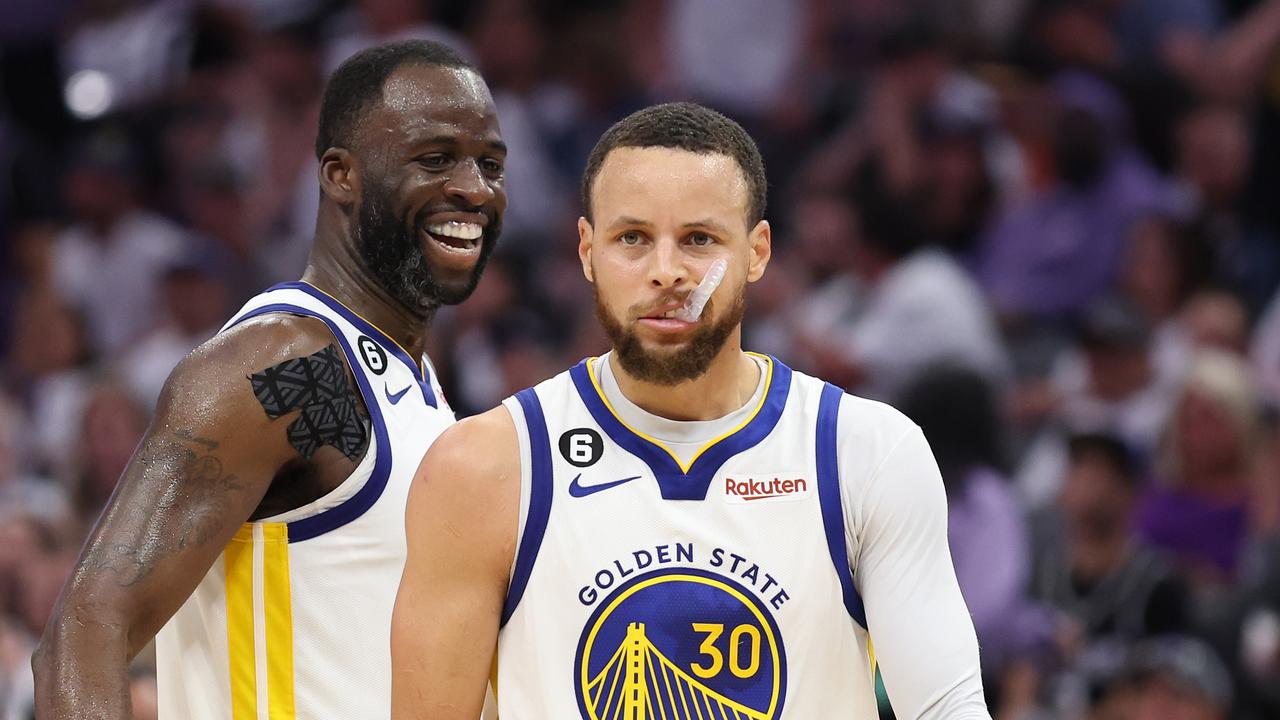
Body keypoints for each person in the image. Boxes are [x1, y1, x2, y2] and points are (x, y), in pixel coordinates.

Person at [391, 102, 988, 719]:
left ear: (758, 252)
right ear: (586, 251)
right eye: (633, 239)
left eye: (699, 240)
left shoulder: (866, 452)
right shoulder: (483, 467)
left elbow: (946, 707)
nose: (667, 272)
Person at [32, 39, 507, 719]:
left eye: (490, 163)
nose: (474, 187)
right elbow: (85, 634)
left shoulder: (416, 385)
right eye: (435, 159)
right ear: (341, 175)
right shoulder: (286, 364)